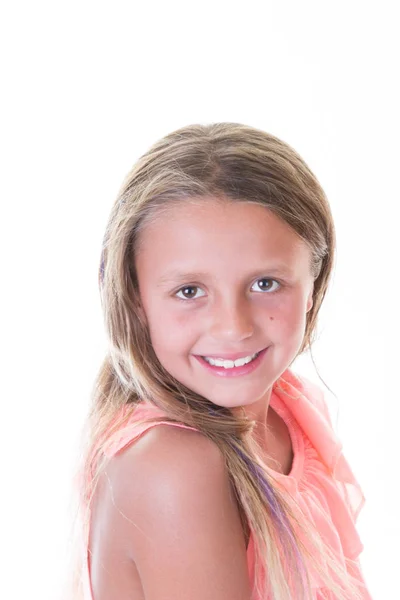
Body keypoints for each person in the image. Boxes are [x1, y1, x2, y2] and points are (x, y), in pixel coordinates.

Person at [70, 123, 373, 600]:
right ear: (135, 298)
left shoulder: (288, 411)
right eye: (189, 291)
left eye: (265, 284)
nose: (233, 327)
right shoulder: (175, 468)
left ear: (314, 285)